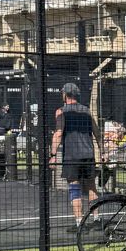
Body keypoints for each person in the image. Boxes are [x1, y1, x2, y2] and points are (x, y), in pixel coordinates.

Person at [49, 82, 100, 224]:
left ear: (65, 94)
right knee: (91, 186)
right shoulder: (87, 111)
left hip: (72, 157)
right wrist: (102, 152)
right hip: (88, 155)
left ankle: (79, 223)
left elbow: (58, 133)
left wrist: (53, 155)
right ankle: (96, 218)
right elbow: (97, 133)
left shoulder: (61, 111)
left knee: (74, 187)